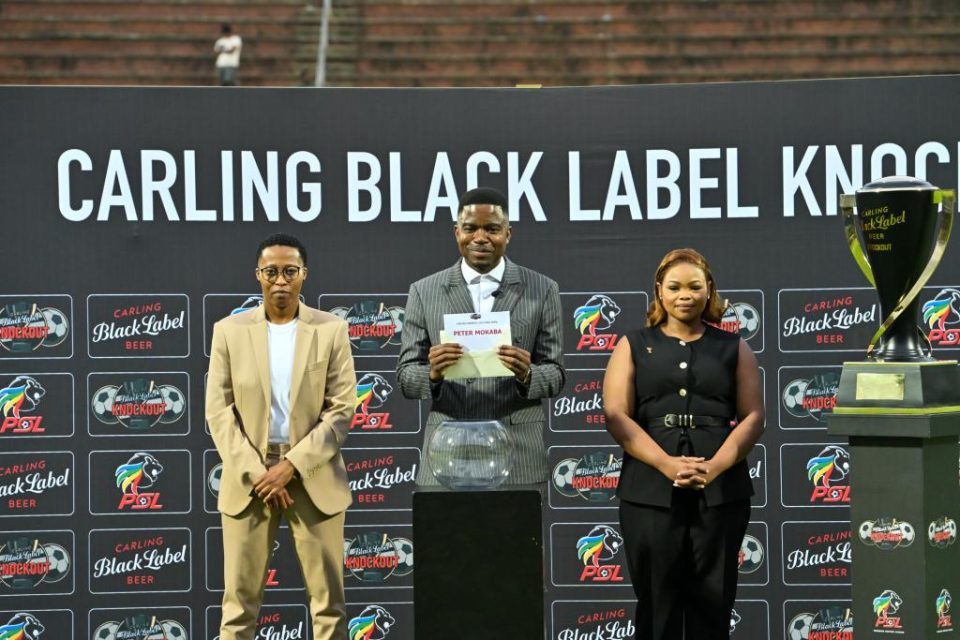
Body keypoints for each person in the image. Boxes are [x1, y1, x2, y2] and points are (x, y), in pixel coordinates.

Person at [603, 248, 764, 640]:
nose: (685, 295)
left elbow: (754, 418)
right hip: (648, 490)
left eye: (695, 286)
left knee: (714, 602)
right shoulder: (633, 344)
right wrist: (666, 464)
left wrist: (714, 467)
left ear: (709, 290)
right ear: (659, 291)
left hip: (721, 492)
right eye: (674, 287)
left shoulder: (734, 347)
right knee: (657, 603)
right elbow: (616, 415)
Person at [206, 233, 355, 640]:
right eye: (271, 272)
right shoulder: (229, 331)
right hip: (249, 481)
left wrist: (290, 466)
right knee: (238, 609)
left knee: (329, 608)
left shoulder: (331, 330)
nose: (280, 281)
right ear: (258, 275)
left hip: (314, 477)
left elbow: (341, 409)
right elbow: (218, 412)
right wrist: (260, 473)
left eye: (290, 271)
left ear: (304, 274)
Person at [397, 187, 565, 485]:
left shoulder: (542, 289)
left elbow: (556, 375)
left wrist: (527, 373)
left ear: (508, 234)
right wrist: (432, 374)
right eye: (470, 228)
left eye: (492, 229)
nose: (480, 238)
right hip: (447, 454)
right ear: (457, 233)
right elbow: (406, 378)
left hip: (519, 458)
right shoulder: (424, 291)